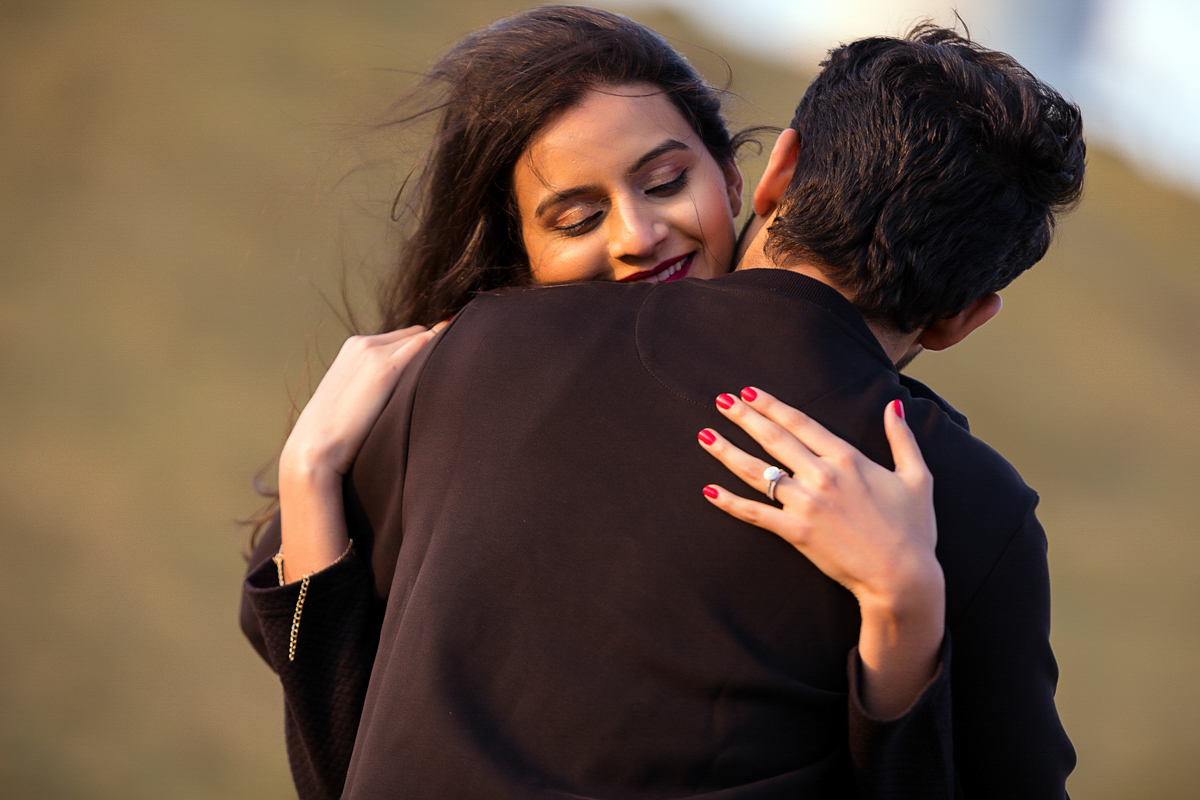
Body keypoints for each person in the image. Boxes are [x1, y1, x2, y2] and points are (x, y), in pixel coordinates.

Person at [244, 9, 1082, 800]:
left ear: (765, 172)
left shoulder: (472, 353)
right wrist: (907, 618)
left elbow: (342, 711)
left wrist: (315, 479)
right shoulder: (961, 502)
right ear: (964, 320)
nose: (638, 240)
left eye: (665, 181)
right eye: (575, 216)